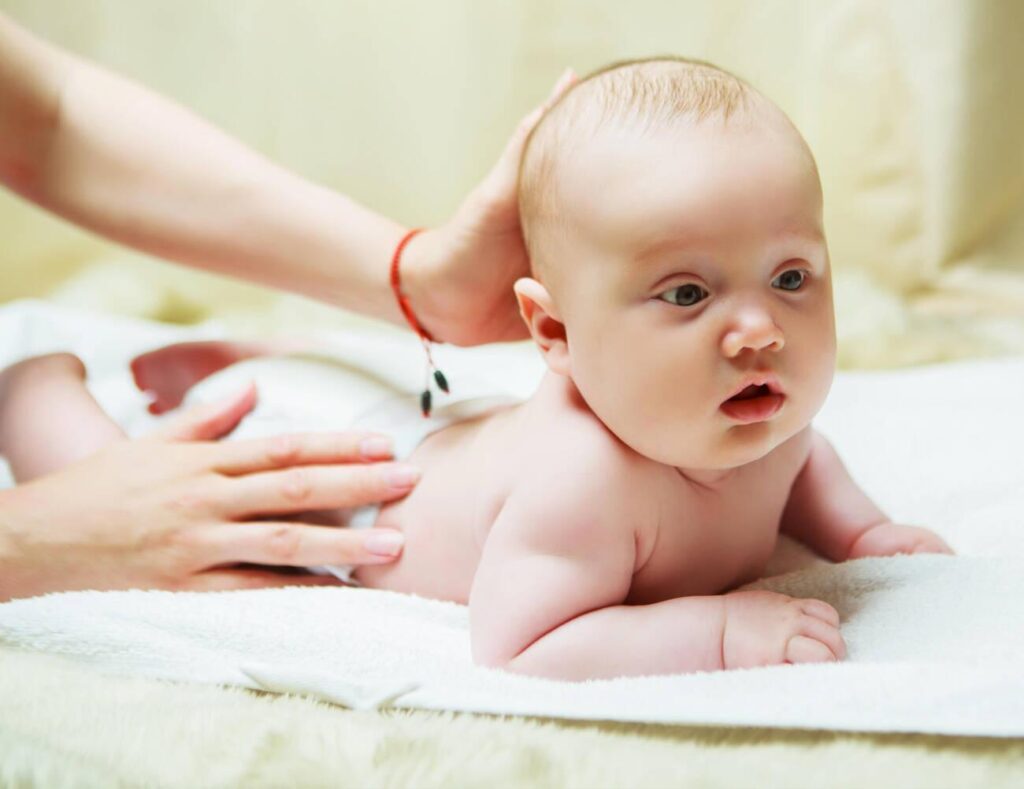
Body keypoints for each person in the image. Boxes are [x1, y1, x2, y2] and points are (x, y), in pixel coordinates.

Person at [2, 57, 955, 680]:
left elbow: (804, 460)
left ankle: (254, 357)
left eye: (790, 277)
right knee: (157, 474)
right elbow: (523, 644)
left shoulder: (761, 414)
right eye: (686, 293)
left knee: (343, 381)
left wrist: (861, 530)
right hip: (354, 489)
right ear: (554, 331)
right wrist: (718, 632)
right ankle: (35, 391)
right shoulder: (584, 484)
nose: (758, 332)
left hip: (434, 425)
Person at [0, 12, 572, 600]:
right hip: (293, 456)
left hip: (365, 418)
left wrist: (413, 275)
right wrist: (27, 538)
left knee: (330, 378)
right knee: (99, 474)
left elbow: (48, 121)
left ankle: (241, 364)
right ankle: (32, 390)